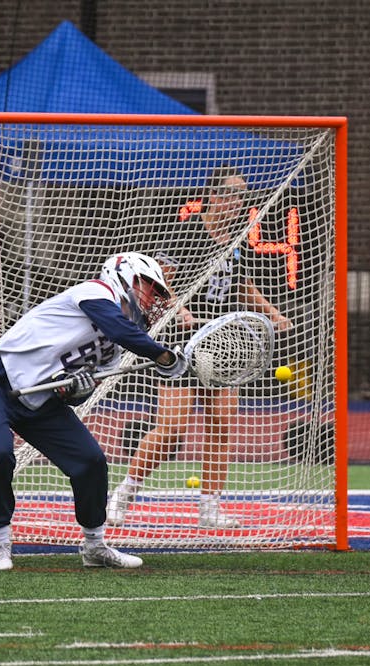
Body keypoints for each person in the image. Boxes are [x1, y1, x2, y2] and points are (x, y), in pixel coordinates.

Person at [0, 251, 189, 570]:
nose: (153, 298)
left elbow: (77, 391)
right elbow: (119, 329)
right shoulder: (97, 292)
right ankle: (0, 542)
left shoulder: (114, 348)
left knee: (91, 462)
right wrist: (162, 356)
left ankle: (94, 545)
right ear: (128, 275)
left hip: (40, 400)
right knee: (0, 453)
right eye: (151, 287)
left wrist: (75, 390)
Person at [107, 165, 291, 529]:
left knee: (221, 424)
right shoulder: (185, 233)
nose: (237, 202)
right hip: (180, 344)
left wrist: (273, 313)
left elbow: (241, 284)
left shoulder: (238, 240)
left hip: (222, 345)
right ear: (214, 196)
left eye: (242, 195)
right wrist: (181, 311)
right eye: (231, 194)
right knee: (172, 428)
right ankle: (124, 492)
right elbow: (155, 283)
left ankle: (209, 508)